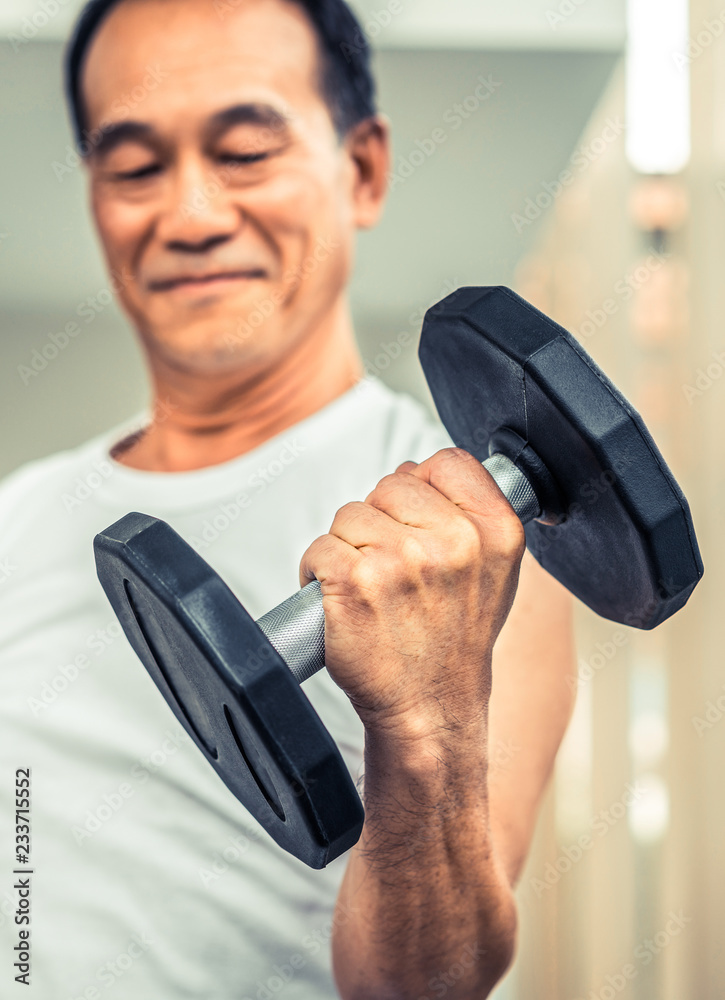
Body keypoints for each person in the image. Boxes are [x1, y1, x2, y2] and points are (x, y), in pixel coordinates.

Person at [0, 0, 577, 997]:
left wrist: (425, 720)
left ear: (361, 169)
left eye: (244, 152)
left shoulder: (480, 533)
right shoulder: (17, 519)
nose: (189, 215)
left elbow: (423, 990)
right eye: (133, 168)